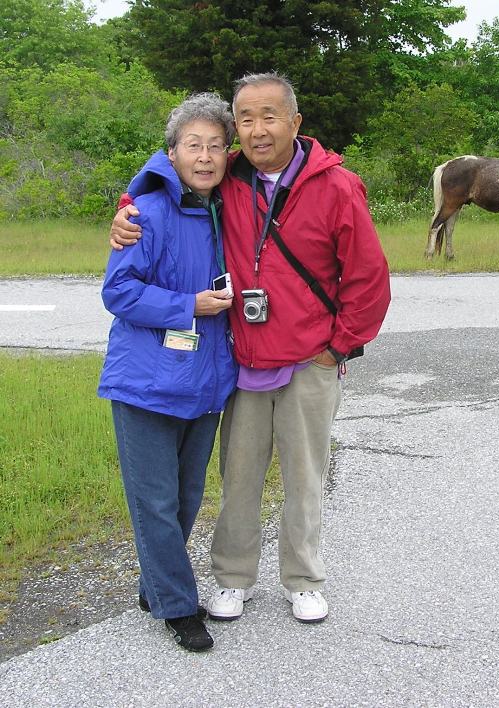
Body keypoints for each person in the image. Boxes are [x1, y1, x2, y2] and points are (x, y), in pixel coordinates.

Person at [110, 72, 391, 624]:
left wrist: (339, 348)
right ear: (236, 127)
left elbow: (368, 277)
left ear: (295, 122)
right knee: (238, 477)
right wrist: (125, 209)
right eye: (246, 118)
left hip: (311, 359)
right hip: (244, 359)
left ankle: (303, 578)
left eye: (270, 116)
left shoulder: (336, 186)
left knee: (305, 477)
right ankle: (233, 578)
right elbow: (167, 174)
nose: (258, 129)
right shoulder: (229, 178)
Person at [99, 92, 238, 651]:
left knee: (182, 501)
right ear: (173, 152)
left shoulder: (232, 210)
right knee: (154, 502)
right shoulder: (143, 215)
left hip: (204, 384)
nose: (204, 157)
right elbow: (119, 291)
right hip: (146, 384)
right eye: (192, 146)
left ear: (229, 155)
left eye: (214, 146)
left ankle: (154, 586)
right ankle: (178, 607)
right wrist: (190, 307)